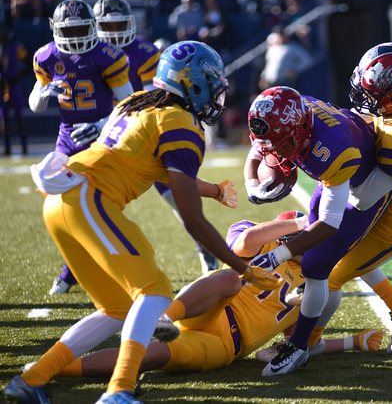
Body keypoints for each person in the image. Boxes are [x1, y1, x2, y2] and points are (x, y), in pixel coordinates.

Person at [4, 41, 280, 404]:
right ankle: (118, 390)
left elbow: (153, 169)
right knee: (155, 292)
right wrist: (242, 267)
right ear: (193, 84)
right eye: (212, 86)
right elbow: (194, 222)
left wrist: (212, 190)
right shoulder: (182, 124)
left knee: (118, 309)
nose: (216, 96)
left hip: (62, 202)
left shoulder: (135, 106)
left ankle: (31, 379)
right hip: (89, 200)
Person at [49, 211, 383, 382]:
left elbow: (293, 348)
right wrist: (301, 223)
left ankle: (54, 370)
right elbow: (243, 241)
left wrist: (352, 342)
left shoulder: (317, 282)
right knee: (229, 278)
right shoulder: (262, 241)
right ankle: (165, 317)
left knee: (150, 357)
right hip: (207, 309)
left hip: (226, 347)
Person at [302, 42, 392, 355]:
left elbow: (362, 198)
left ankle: (307, 343)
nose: (365, 100)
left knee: (331, 272)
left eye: (374, 94)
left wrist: (332, 168)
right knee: (346, 253)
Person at [244, 86, 392, 376]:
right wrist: (252, 185)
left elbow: (329, 224)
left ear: (299, 131)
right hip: (334, 176)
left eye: (281, 145)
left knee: (315, 265)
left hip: (364, 187)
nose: (273, 154)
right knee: (314, 258)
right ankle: (312, 318)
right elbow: (259, 146)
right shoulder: (289, 118)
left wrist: (278, 256)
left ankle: (299, 347)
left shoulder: (333, 150)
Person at [90, 0, 220, 275]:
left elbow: (158, 98)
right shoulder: (90, 55)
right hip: (111, 135)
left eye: (119, 25)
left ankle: (205, 250)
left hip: (144, 135)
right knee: (92, 203)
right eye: (107, 26)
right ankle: (72, 271)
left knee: (179, 201)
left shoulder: (146, 52)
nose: (113, 32)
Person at [28, 0, 135, 295]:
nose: (75, 38)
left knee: (94, 206)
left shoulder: (106, 55)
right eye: (68, 31)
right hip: (67, 137)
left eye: (81, 30)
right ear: (55, 29)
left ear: (93, 27)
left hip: (104, 137)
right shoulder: (46, 57)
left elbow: (129, 105)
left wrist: (101, 125)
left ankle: (74, 272)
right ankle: (74, 269)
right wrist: (44, 92)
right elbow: (34, 106)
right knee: (61, 205)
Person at [1, 28, 29, 156]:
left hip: (14, 85)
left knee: (19, 117)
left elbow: (28, 63)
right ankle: (7, 148)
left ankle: (24, 147)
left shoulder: (15, 48)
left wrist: (21, 74)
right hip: (3, 87)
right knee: (4, 118)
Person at [258, 27, 312, 91]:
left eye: (282, 35)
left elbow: (307, 60)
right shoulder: (272, 48)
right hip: (270, 83)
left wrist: (295, 70)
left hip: (285, 82)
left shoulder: (293, 47)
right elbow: (268, 65)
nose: (281, 38)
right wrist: (263, 78)